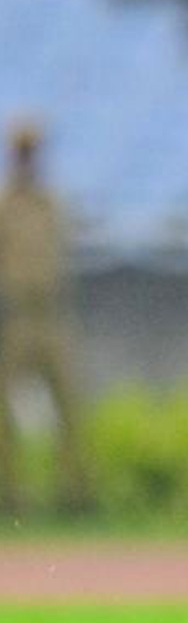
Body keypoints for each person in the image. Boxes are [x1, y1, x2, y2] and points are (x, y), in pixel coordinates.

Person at [0, 119, 92, 516]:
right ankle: (10, 496)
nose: (28, 160)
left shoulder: (52, 204)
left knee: (70, 407)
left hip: (52, 314)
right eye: (23, 152)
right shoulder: (5, 207)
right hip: (16, 315)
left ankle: (75, 496)